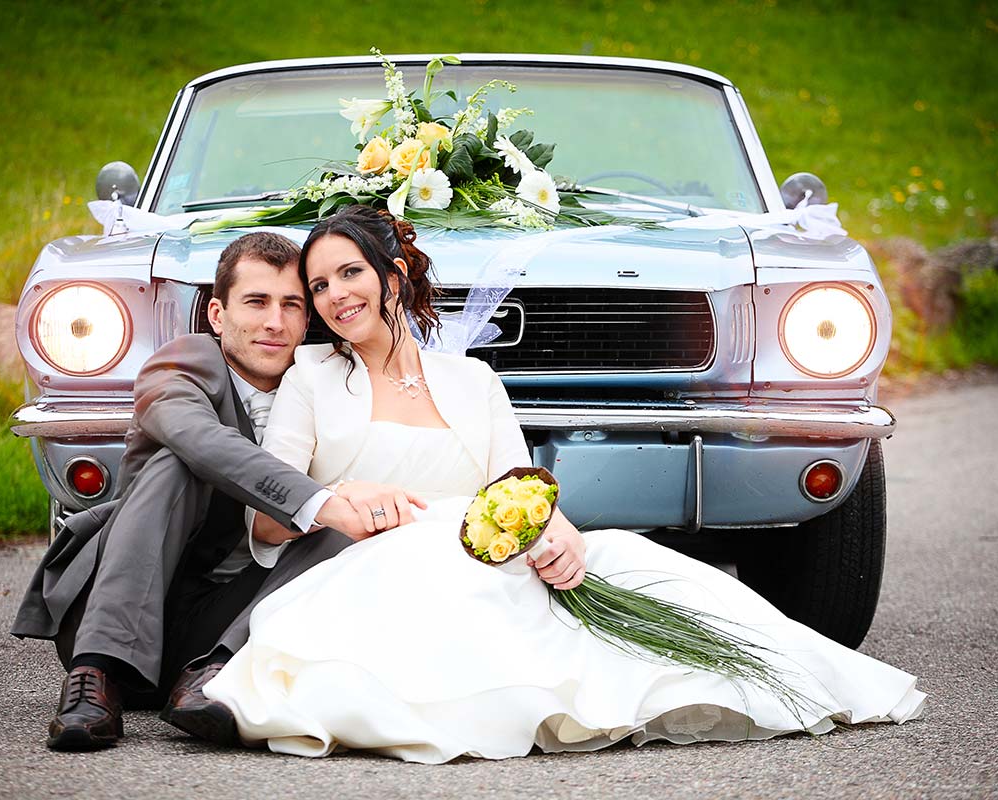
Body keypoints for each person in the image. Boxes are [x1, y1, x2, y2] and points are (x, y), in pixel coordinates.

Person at [202, 207, 927, 763]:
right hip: (377, 563)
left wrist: (559, 533)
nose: (332, 296)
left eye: (349, 273)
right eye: (319, 285)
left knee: (650, 576)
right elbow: (268, 521)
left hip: (494, 555)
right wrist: (348, 497)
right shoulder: (309, 380)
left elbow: (519, 487)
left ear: (392, 279)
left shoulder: (473, 379)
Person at [11, 231, 425, 751]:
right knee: (176, 464)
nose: (275, 322)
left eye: (291, 305)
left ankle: (217, 675)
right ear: (216, 315)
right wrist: (321, 500)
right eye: (256, 302)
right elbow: (194, 433)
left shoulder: (326, 386)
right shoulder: (183, 363)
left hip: (228, 621)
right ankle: (93, 683)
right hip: (128, 608)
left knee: (341, 536)